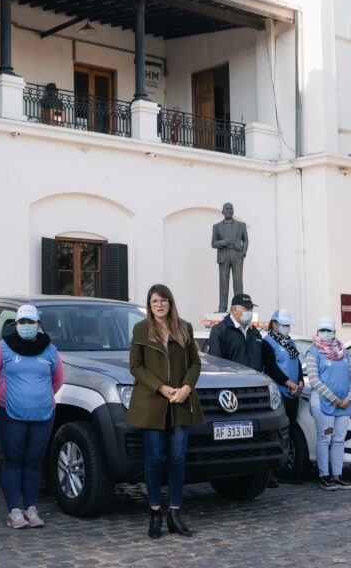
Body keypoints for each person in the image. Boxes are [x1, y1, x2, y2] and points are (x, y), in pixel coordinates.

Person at [127, 284, 204, 538]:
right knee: (154, 458)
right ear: (149, 305)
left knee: (178, 458)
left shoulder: (184, 327)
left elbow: (194, 362)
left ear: (171, 302)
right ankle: (155, 512)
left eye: (163, 300)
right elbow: (136, 367)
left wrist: (185, 387)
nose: (159, 305)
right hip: (152, 402)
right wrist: (161, 388)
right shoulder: (141, 329)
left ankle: (175, 513)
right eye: (154, 301)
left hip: (181, 403)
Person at [0, 304, 63, 529]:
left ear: (38, 325)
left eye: (31, 322)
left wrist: (40, 399)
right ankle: (14, 511)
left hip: (43, 415)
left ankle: (31, 508)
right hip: (10, 414)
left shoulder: (50, 349)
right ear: (16, 325)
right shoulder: (3, 348)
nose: (26, 326)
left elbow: (57, 380)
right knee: (13, 460)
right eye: (22, 322)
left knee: (33, 462)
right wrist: (3, 397)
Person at [304, 318, 351, 490]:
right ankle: (324, 476)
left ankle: (337, 476)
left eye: (329, 331)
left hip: (344, 405)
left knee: (339, 440)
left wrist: (348, 397)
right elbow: (313, 379)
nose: (326, 334)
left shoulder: (343, 352)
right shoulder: (313, 352)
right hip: (324, 404)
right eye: (323, 331)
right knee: (325, 438)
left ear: (335, 333)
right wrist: (333, 398)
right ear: (318, 332)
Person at [261, 309, 303, 485]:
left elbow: (297, 363)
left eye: (288, 326)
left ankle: (287, 469)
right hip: (279, 392)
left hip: (293, 393)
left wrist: (300, 382)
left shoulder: (289, 341)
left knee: (290, 431)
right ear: (275, 324)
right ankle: (273, 472)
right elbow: (271, 368)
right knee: (277, 432)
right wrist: (289, 383)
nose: (287, 328)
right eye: (284, 325)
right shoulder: (268, 342)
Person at [206, 293, 271, 372]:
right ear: (234, 310)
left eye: (251, 308)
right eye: (246, 308)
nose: (250, 312)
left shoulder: (254, 331)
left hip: (255, 381)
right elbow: (215, 362)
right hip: (234, 382)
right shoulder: (220, 330)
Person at [211, 203, 249, 311]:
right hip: (224, 255)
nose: (229, 210)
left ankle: (240, 306)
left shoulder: (241, 225)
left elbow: (245, 240)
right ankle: (222, 307)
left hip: (237, 255)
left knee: (238, 283)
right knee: (223, 282)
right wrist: (222, 242)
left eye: (230, 209)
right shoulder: (216, 227)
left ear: (233, 211)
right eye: (226, 209)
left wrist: (244, 252)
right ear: (222, 212)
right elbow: (213, 243)